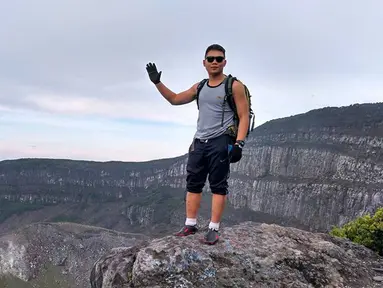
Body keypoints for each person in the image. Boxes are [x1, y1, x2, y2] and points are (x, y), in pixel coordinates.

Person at [146, 44, 249, 245]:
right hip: (199, 141)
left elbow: (244, 116)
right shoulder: (199, 87)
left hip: (221, 140)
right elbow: (175, 99)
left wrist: (239, 144)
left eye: (219, 59)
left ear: (224, 62)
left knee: (218, 185)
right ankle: (190, 224)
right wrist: (157, 82)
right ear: (204, 63)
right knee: (193, 183)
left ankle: (213, 228)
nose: (214, 62)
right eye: (210, 59)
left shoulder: (234, 86)